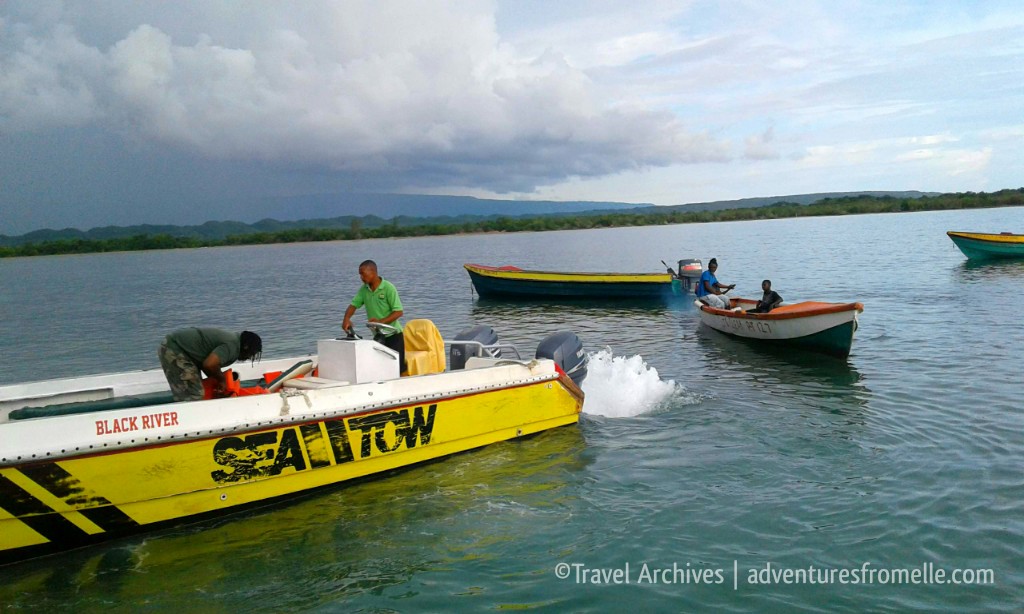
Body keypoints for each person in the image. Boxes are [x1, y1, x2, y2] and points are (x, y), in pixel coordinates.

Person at [158, 328, 262, 401]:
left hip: (183, 351)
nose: (249, 357)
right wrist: (222, 379)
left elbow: (207, 363)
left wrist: (217, 381)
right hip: (174, 349)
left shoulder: (233, 340)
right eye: (251, 354)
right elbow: (209, 364)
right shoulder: (232, 346)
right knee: (193, 394)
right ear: (246, 347)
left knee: (197, 388)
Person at [341, 260, 406, 373]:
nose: (361, 277)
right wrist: (346, 319)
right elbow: (353, 306)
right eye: (360, 275)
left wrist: (381, 322)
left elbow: (399, 312)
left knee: (397, 369)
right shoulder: (364, 290)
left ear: (373, 272)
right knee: (381, 368)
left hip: (394, 336)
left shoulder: (388, 288)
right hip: (378, 336)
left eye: (363, 274)